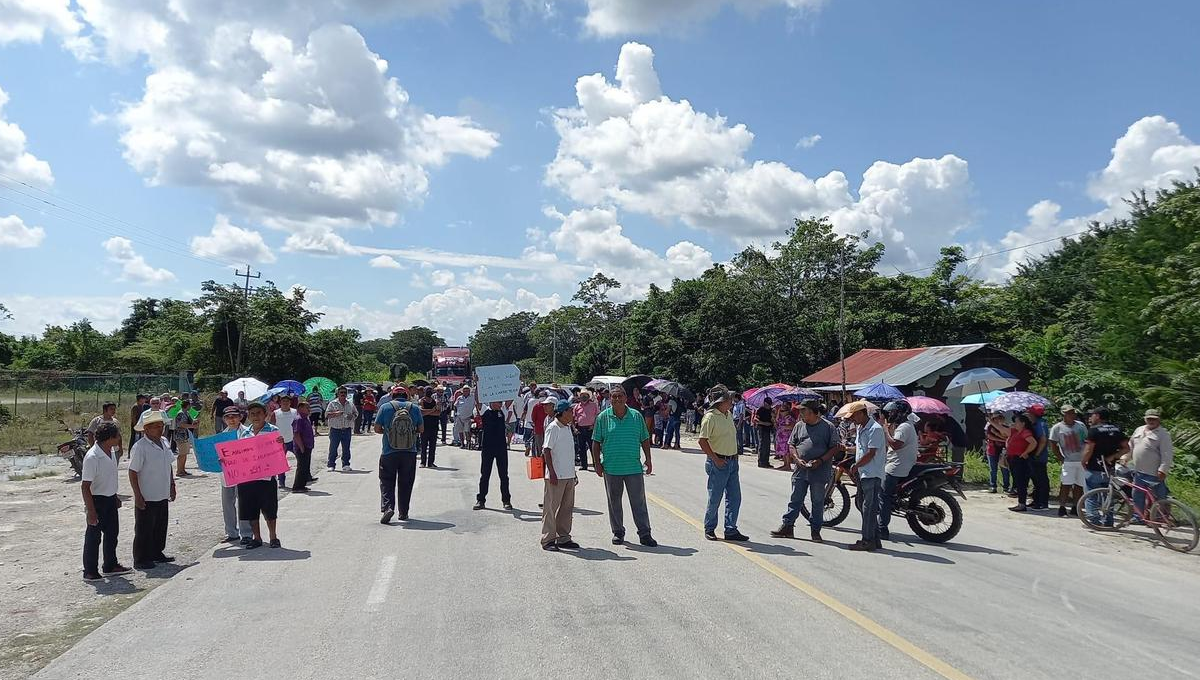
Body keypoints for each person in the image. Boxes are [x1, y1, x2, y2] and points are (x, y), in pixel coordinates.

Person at [591, 386, 657, 547]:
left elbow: (644, 439)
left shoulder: (636, 416)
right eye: (614, 397)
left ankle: (645, 533)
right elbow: (596, 442)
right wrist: (596, 463)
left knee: (638, 502)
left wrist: (648, 459)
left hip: (633, 467)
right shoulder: (603, 417)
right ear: (610, 399)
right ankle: (618, 532)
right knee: (614, 502)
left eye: (620, 396)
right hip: (611, 468)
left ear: (626, 398)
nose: (617, 399)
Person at [771, 399, 840, 542]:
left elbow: (834, 448)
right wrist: (796, 459)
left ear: (813, 412)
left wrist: (820, 460)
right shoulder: (799, 425)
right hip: (800, 470)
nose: (800, 413)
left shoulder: (828, 427)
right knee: (795, 499)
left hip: (819, 470)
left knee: (817, 501)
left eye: (803, 410)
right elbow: (792, 444)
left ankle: (815, 531)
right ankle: (788, 526)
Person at [81, 423, 131, 580]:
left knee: (112, 534)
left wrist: (114, 496)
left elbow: (108, 477)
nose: (119, 438)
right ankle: (90, 571)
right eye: (117, 436)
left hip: (109, 499)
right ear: (109, 438)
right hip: (96, 501)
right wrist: (91, 510)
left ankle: (110, 565)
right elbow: (85, 487)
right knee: (93, 537)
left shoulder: (111, 453)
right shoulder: (93, 457)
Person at [698, 385, 747, 542]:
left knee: (735, 497)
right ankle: (710, 527)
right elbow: (702, 441)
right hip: (718, 461)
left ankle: (731, 529)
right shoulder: (710, 417)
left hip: (732, 461)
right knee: (715, 497)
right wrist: (715, 459)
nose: (732, 402)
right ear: (721, 401)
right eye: (729, 400)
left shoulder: (728, 414)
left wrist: (735, 457)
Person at [128, 411, 176, 569]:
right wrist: (137, 495)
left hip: (162, 491)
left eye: (161, 425)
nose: (159, 429)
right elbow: (133, 471)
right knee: (144, 528)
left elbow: (168, 464)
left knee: (161, 525)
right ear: (146, 429)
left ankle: (156, 552)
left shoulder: (164, 441)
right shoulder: (140, 447)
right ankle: (141, 558)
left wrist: (172, 485)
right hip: (147, 494)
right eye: (155, 426)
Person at [374, 387, 423, 523]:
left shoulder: (385, 407)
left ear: (392, 396)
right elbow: (421, 429)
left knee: (386, 481)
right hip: (409, 452)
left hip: (389, 452)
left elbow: (377, 428)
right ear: (407, 396)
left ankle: (388, 507)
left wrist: (388, 432)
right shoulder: (414, 408)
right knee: (406, 482)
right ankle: (404, 512)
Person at [238, 403, 283, 548]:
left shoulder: (273, 431)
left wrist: (280, 444)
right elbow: (237, 455)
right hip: (247, 478)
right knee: (251, 509)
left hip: (266, 477)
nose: (255, 416)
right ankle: (257, 538)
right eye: (252, 413)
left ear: (265, 414)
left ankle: (273, 537)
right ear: (248, 416)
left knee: (269, 508)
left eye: (258, 413)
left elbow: (280, 453)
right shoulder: (243, 433)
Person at [541, 399, 580, 551]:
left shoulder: (567, 427)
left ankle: (563, 537)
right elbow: (547, 450)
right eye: (570, 411)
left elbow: (568, 453)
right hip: (555, 475)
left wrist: (574, 473)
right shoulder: (553, 427)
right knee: (551, 508)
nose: (572, 413)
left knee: (566, 508)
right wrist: (551, 472)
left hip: (568, 474)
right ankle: (548, 539)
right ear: (563, 413)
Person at [846, 401, 884, 551]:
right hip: (864, 473)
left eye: (854, 416)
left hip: (872, 472)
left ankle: (867, 540)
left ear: (862, 413)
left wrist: (856, 465)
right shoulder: (861, 427)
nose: (852, 419)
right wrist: (847, 449)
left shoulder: (875, 429)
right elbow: (860, 448)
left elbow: (871, 453)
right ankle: (874, 538)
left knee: (868, 508)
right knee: (865, 505)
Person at [1081, 407, 1129, 526]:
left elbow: (1089, 450)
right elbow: (1127, 447)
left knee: (1091, 494)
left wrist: (1083, 461)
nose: (1090, 417)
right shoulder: (1117, 429)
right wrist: (1113, 456)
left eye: (1092, 415)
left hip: (1094, 467)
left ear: (1097, 416)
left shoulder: (1093, 430)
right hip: (1109, 468)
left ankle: (1094, 520)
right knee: (1108, 495)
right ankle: (1108, 521)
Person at [878, 400, 918, 541]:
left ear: (901, 413)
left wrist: (885, 430)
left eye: (893, 412)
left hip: (897, 466)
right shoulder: (906, 426)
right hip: (901, 463)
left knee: (883, 496)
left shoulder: (904, 427)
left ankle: (882, 529)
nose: (891, 415)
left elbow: (895, 444)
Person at [218, 406, 254, 544]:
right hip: (226, 474)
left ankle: (246, 533)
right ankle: (231, 532)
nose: (231, 419)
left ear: (240, 417)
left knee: (244, 503)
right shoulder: (221, 435)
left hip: (244, 473)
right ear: (224, 419)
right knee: (227, 503)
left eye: (234, 416)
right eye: (228, 417)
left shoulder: (247, 433)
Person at [1127, 409, 1173, 515]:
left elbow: (1167, 454)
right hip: (1138, 471)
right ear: (1145, 419)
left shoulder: (1163, 434)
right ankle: (1139, 517)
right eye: (1149, 419)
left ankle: (1161, 517)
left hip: (1154, 473)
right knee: (1137, 495)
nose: (1151, 421)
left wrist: (1163, 470)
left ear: (1159, 420)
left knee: (1159, 497)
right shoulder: (1139, 430)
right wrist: (1126, 457)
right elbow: (1131, 446)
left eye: (1154, 419)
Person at [473, 390, 513, 511]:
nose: (500, 404)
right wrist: (478, 386)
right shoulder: (485, 410)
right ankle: (481, 500)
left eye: (501, 402)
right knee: (485, 474)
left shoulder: (503, 411)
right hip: (487, 448)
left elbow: (510, 400)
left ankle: (506, 501)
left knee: (504, 475)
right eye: (498, 402)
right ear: (492, 402)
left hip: (501, 448)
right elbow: (478, 401)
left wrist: (515, 383)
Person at [1049, 405, 1088, 516]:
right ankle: (1062, 506)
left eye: (1073, 413)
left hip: (1081, 460)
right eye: (1069, 413)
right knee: (1066, 484)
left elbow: (1087, 440)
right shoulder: (1057, 428)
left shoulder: (1080, 425)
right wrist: (1060, 457)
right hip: (1068, 460)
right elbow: (1053, 443)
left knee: (1079, 484)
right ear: (1064, 415)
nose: (1072, 415)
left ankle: (1076, 507)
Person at [1006, 414, 1039, 513]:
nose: (1014, 423)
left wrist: (1025, 452)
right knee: (1018, 481)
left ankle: (1022, 504)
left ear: (1023, 423)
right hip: (1013, 459)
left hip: (1020, 460)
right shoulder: (1015, 432)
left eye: (1016, 422)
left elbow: (1033, 443)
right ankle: (1021, 503)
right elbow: (1002, 429)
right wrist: (991, 421)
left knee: (1021, 482)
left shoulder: (1025, 432)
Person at [270, 395, 300, 489]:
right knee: (280, 462)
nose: (285, 403)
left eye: (287, 401)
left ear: (290, 403)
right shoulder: (275, 413)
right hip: (280, 441)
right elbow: (271, 426)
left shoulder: (295, 412)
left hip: (293, 440)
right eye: (283, 401)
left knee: (301, 459)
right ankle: (281, 481)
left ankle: (306, 476)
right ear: (280, 403)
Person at [1026, 403, 1051, 510]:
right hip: (1035, 456)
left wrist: (1036, 454)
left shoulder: (1041, 424)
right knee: (1036, 480)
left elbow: (1043, 440)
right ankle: (1036, 500)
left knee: (1041, 480)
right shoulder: (1035, 424)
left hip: (1039, 458)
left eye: (1030, 412)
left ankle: (1042, 503)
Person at [325, 386, 357, 471]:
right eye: (341, 392)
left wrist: (352, 416)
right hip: (335, 429)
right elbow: (326, 415)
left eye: (344, 392)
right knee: (333, 448)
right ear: (338, 394)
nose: (343, 394)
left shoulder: (350, 404)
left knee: (346, 448)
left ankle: (346, 464)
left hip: (346, 429)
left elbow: (356, 413)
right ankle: (331, 465)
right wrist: (336, 413)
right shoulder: (332, 403)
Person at [290, 401, 316, 493]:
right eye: (307, 407)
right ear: (300, 408)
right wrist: (301, 447)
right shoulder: (299, 419)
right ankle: (297, 487)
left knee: (305, 467)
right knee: (301, 467)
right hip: (302, 447)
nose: (309, 409)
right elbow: (296, 434)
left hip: (308, 446)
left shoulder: (306, 418)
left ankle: (302, 485)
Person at [984, 411, 1011, 494]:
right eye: (996, 418)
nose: (998, 419)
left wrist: (1001, 437)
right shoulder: (989, 427)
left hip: (1003, 450)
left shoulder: (1005, 427)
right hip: (992, 450)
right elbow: (989, 436)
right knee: (993, 469)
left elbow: (1007, 436)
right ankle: (993, 486)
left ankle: (1006, 486)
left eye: (999, 417)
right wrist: (1002, 439)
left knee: (1005, 468)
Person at [572, 390, 599, 471]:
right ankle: (584, 465)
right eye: (582, 395)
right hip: (580, 429)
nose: (584, 396)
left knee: (593, 447)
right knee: (581, 448)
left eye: (585, 395)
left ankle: (596, 465)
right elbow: (572, 418)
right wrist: (574, 428)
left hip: (591, 429)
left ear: (588, 396)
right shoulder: (576, 406)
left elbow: (598, 416)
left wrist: (594, 426)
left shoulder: (594, 405)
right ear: (580, 396)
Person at [173, 398, 196, 477]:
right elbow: (181, 424)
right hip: (180, 435)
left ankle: (182, 470)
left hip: (184, 435)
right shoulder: (181, 413)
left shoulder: (186, 413)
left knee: (185, 453)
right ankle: (179, 471)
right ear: (188, 405)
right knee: (182, 454)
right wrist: (192, 426)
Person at [418, 387, 440, 468]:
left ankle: (431, 462)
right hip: (424, 426)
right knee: (423, 445)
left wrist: (428, 411)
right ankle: (423, 462)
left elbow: (438, 413)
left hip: (434, 426)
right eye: (428, 391)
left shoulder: (435, 401)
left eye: (430, 391)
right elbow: (421, 412)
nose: (429, 392)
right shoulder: (421, 401)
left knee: (432, 446)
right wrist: (432, 410)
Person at [774, 402, 798, 471]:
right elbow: (777, 420)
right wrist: (779, 410)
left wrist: (784, 427)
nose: (781, 412)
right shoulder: (782, 417)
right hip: (781, 437)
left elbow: (792, 426)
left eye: (783, 411)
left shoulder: (789, 418)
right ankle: (785, 464)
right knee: (783, 452)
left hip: (786, 436)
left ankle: (788, 465)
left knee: (786, 451)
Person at [755, 397, 775, 468]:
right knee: (762, 445)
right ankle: (761, 461)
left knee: (767, 446)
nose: (768, 406)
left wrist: (773, 417)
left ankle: (766, 461)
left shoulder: (771, 410)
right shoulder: (761, 409)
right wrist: (763, 423)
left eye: (769, 405)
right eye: (767, 404)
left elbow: (773, 420)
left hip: (768, 429)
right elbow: (756, 419)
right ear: (764, 403)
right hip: (761, 428)